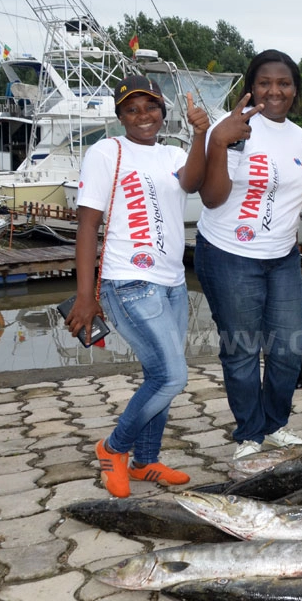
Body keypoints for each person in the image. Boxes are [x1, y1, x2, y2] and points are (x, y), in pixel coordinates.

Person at [66, 75, 210, 498]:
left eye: (150, 107)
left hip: (171, 282)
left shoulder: (171, 152)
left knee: (158, 375)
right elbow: (88, 226)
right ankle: (114, 450)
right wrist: (86, 294)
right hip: (128, 280)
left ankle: (146, 462)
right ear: (120, 115)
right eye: (132, 109)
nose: (142, 116)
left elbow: (194, 182)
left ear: (163, 111)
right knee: (172, 376)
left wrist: (202, 133)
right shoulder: (106, 151)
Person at [194, 50, 302, 460]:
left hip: (281, 257)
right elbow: (211, 198)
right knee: (242, 348)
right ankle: (249, 434)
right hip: (229, 254)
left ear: (295, 90)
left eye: (283, 83)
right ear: (252, 87)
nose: (274, 90)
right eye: (265, 83)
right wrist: (220, 140)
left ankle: (274, 424)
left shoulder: (299, 137)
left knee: (288, 348)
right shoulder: (236, 129)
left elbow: (295, 197)